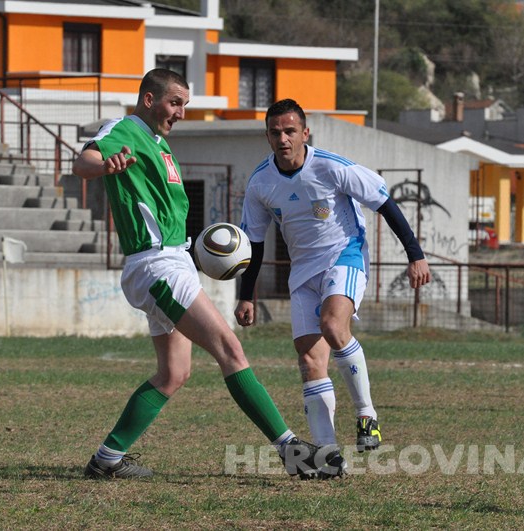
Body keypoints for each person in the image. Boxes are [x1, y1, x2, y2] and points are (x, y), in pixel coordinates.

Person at [72, 69, 331, 480]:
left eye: (185, 105)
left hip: (172, 262)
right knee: (230, 349)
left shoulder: (162, 148)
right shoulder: (126, 130)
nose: (181, 112)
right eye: (175, 103)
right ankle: (290, 450)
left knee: (174, 373)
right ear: (148, 99)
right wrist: (104, 164)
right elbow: (83, 161)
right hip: (156, 264)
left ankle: (106, 460)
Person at [234, 99, 431, 469]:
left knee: (332, 324)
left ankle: (367, 415)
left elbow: (384, 201)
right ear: (267, 136)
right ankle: (328, 456)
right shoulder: (261, 182)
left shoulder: (330, 166)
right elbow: (255, 243)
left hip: (345, 255)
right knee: (309, 360)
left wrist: (415, 254)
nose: (283, 138)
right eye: (275, 132)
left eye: (290, 131)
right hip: (303, 271)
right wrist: (247, 296)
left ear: (304, 133)